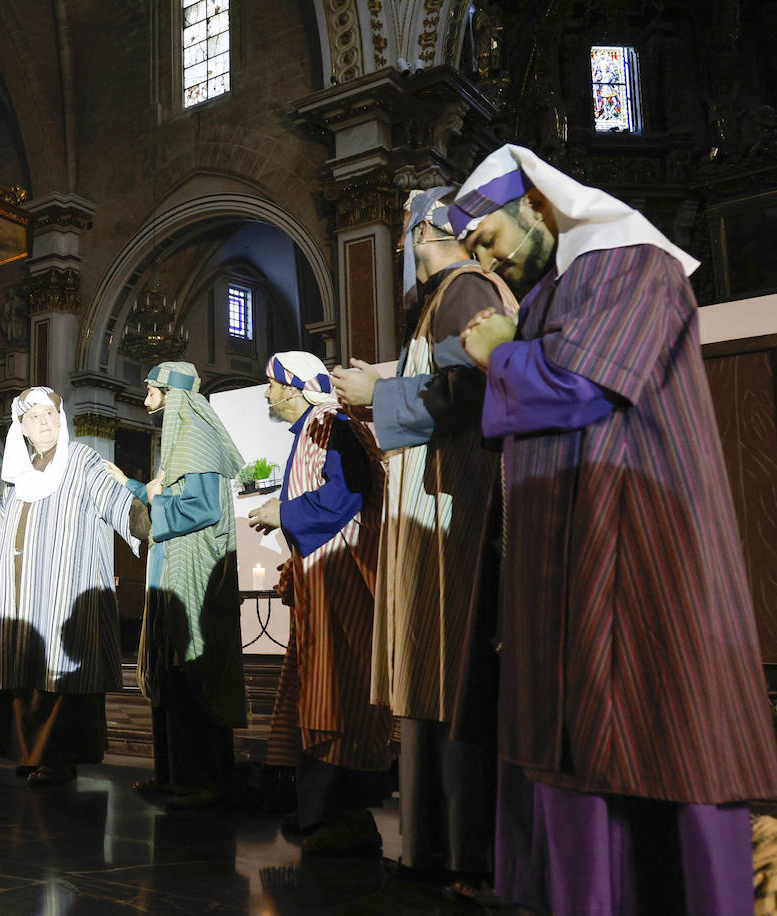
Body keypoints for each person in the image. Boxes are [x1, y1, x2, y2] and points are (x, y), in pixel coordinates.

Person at [453, 143, 777, 915]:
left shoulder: (629, 260)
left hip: (640, 559)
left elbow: (582, 383)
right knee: (583, 756)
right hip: (577, 561)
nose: (489, 263)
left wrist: (501, 355)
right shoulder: (553, 289)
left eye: (488, 240)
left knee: (662, 746)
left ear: (536, 205)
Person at [330, 188, 518, 882]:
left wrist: (374, 398)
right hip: (433, 521)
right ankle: (433, 847)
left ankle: (462, 854)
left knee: (449, 675)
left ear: (418, 235)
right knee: (429, 678)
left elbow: (470, 390)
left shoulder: (464, 290)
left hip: (453, 516)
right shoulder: (446, 299)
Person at [246, 353, 393, 856]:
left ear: (292, 388)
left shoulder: (334, 425)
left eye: (270, 385)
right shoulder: (315, 427)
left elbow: (350, 492)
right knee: (324, 695)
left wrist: (282, 512)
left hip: (344, 585)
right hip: (323, 584)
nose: (266, 395)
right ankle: (323, 812)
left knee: (340, 695)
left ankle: (340, 813)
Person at [0, 387, 147, 785]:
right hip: (22, 592)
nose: (44, 422)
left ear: (60, 419)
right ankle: (31, 753)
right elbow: (5, 531)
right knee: (25, 668)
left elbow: (118, 503)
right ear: (24, 428)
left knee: (61, 674)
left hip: (67, 590)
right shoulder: (19, 477)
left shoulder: (83, 461)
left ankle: (58, 758)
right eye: (34, 417)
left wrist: (158, 520)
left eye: (49, 414)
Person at [105, 361, 247, 808]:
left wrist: (144, 497)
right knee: (170, 674)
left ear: (172, 393)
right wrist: (129, 484)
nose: (145, 398)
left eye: (151, 390)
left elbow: (202, 508)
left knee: (193, 675)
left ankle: (202, 780)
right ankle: (172, 774)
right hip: (173, 571)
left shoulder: (196, 439)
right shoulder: (180, 438)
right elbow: (166, 497)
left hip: (193, 575)